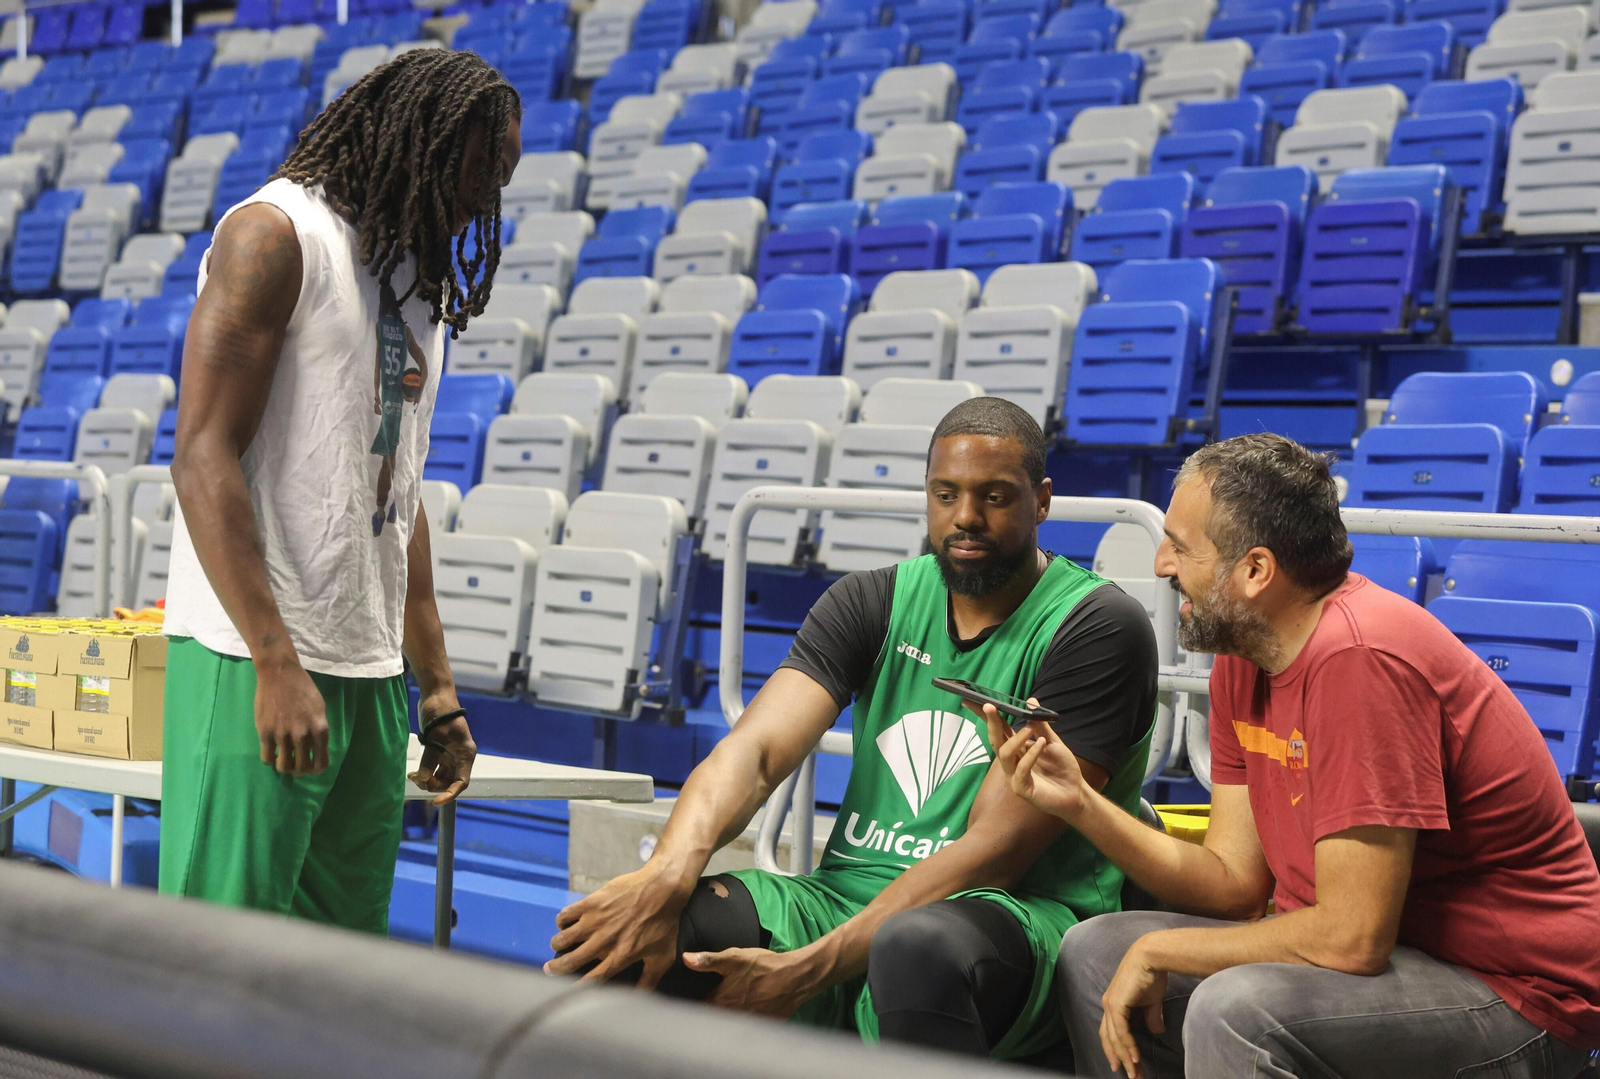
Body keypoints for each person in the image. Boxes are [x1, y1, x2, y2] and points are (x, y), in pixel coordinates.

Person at [546, 397, 1160, 1061]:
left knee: (916, 948)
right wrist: (667, 873)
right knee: (633, 938)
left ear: (1041, 501)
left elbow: (993, 851)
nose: (965, 518)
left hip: (1017, 919)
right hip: (842, 898)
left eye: (994, 496)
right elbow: (753, 753)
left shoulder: (1097, 627)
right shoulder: (875, 598)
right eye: (945, 493)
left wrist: (809, 969)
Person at [988, 432, 1600, 1079]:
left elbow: (1351, 938)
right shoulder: (1243, 656)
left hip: (1516, 993)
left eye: (1182, 545)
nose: (1163, 562)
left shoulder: (1361, 659)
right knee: (1095, 950)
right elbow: (1234, 885)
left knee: (1236, 1007)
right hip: (1390, 958)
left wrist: (1161, 946)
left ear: (1255, 571)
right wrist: (1079, 803)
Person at [157, 50, 522, 933]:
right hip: (252, 659)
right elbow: (201, 455)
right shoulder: (273, 237)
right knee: (217, 963)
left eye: (501, 178)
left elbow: (397, 491)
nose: (483, 199)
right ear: (419, 140)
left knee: (333, 978)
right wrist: (277, 663)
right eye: (476, 170)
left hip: (366, 674)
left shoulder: (414, 277)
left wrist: (435, 688)